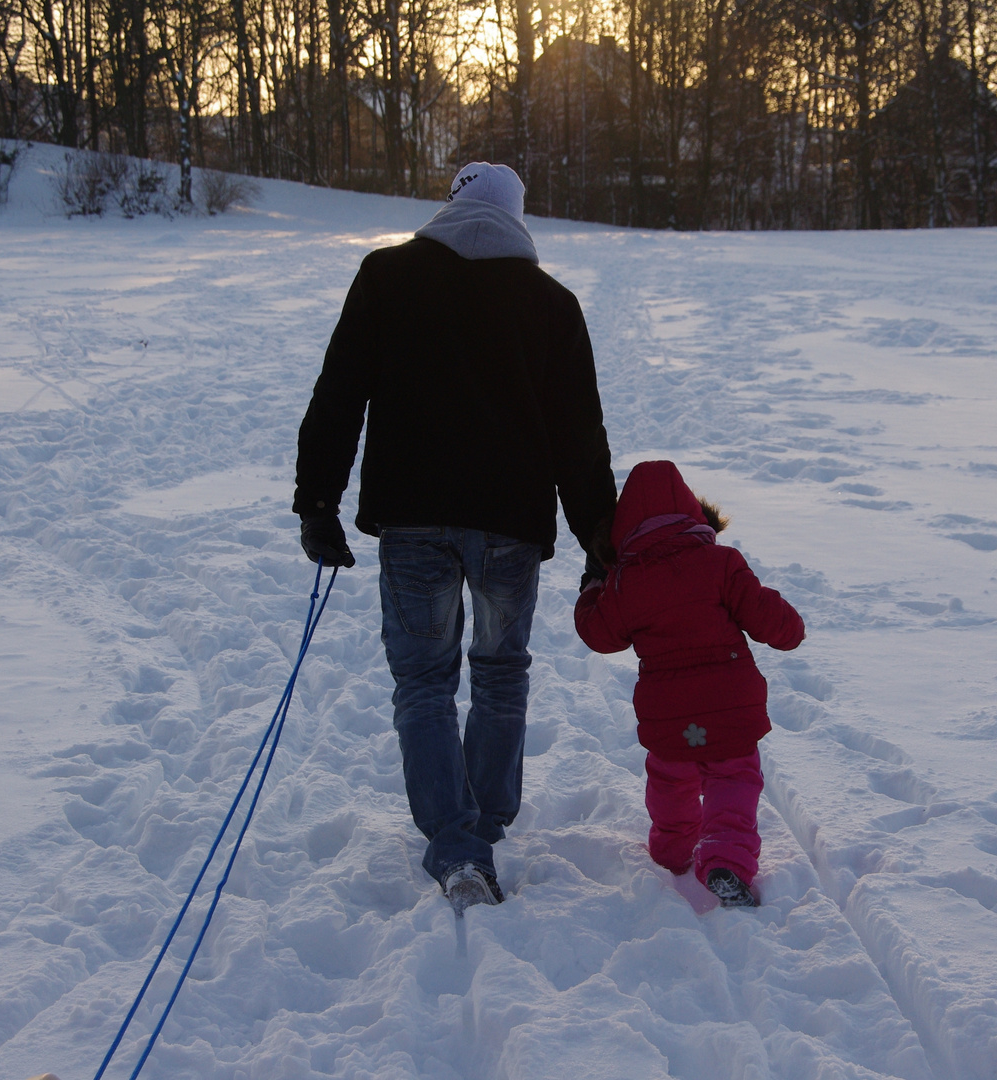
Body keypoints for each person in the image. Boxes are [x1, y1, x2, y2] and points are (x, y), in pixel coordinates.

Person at [293, 162, 617, 914]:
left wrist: (318, 502)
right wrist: (600, 538)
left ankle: (456, 839)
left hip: (411, 520)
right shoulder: (550, 302)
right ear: (517, 217)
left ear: (453, 205)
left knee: (424, 683)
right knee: (500, 672)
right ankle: (485, 822)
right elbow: (579, 436)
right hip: (508, 526)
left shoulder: (387, 276)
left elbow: (337, 394)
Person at [573, 460, 804, 908]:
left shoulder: (626, 581)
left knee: (671, 778)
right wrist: (789, 626)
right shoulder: (721, 563)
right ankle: (727, 860)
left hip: (669, 713)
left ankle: (672, 851)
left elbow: (599, 635)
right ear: (692, 510)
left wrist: (592, 586)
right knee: (733, 777)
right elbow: (770, 620)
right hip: (730, 706)